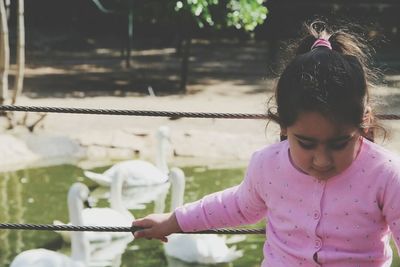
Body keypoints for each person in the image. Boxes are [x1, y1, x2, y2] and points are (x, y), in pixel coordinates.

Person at [132, 20, 400, 266]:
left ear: (364, 121)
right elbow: (237, 205)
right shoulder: (268, 164)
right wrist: (174, 221)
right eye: (306, 143)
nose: (322, 160)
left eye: (340, 143)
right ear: (284, 125)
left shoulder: (386, 174)